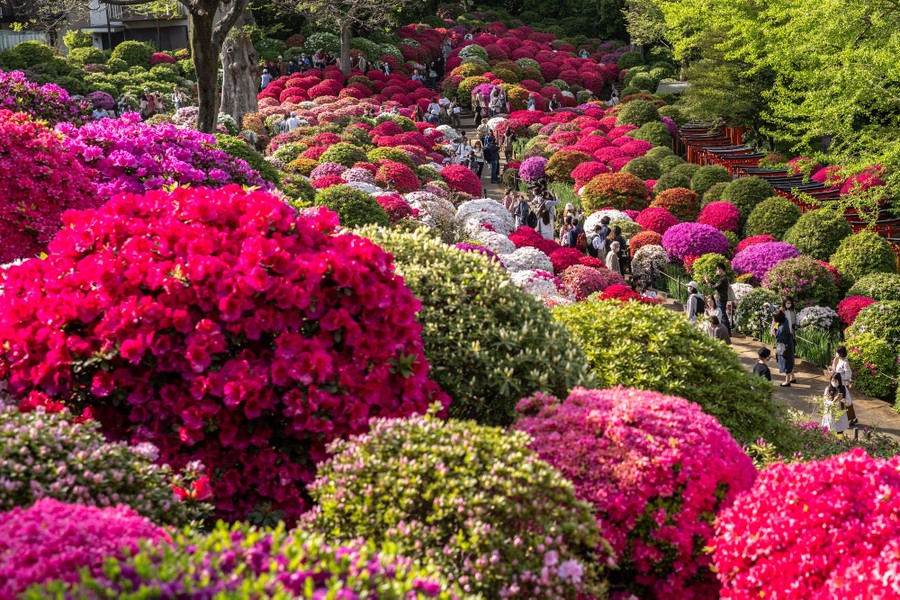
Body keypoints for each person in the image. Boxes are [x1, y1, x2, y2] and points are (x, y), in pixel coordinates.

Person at [829, 346, 857, 425]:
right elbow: (836, 372)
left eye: (837, 352)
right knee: (839, 400)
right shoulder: (837, 360)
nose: (836, 354)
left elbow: (848, 375)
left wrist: (840, 378)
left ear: (840, 353)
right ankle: (846, 418)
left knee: (846, 401)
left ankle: (853, 418)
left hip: (843, 385)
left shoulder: (845, 362)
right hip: (838, 384)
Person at [772, 311, 795, 387]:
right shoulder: (785, 320)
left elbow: (779, 338)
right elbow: (777, 323)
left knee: (785, 362)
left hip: (784, 347)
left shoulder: (782, 328)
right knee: (790, 361)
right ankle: (792, 377)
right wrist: (775, 328)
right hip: (788, 344)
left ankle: (787, 381)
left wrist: (774, 334)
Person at [713, 263, 732, 331]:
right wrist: (709, 281)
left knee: (722, 314)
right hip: (722, 298)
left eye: (718, 269)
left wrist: (707, 282)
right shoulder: (723, 278)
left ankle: (727, 331)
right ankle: (726, 330)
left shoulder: (723, 279)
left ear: (721, 269)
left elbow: (714, 287)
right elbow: (716, 285)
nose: (717, 271)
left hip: (721, 298)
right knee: (723, 314)